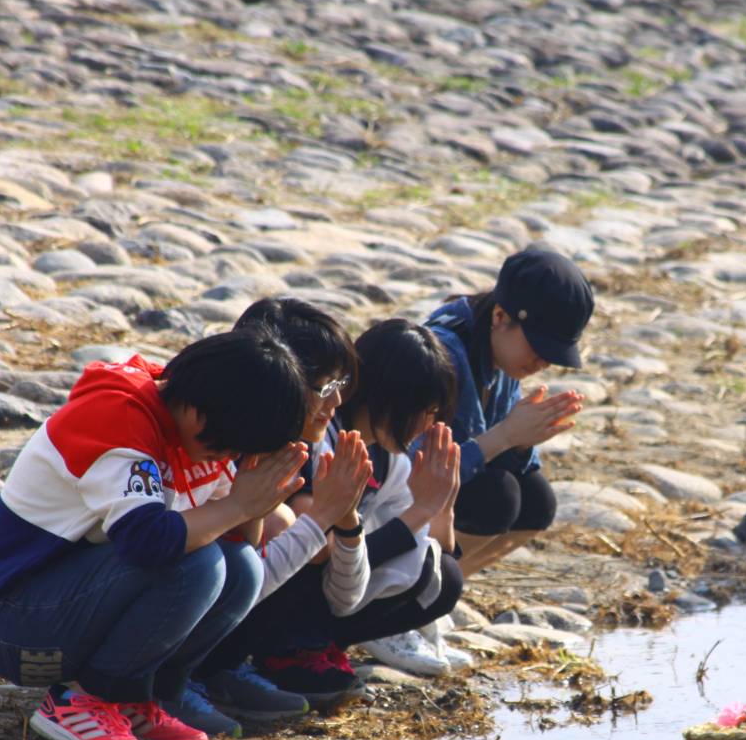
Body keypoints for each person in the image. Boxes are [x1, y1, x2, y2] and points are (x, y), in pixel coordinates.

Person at [0, 329, 309, 740]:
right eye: (232, 448)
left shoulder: (195, 423)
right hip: (14, 626)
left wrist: (254, 497)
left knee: (241, 569)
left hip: (69, 604)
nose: (230, 456)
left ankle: (132, 698)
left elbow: (241, 539)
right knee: (196, 565)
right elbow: (149, 541)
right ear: (200, 414)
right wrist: (239, 503)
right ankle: (79, 702)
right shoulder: (117, 417)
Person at [202, 318, 465, 701]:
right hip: (279, 585)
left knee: (444, 575)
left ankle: (318, 641)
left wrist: (442, 506)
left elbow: (437, 548)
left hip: (339, 585)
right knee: (307, 537)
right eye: (423, 410)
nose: (429, 424)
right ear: (386, 395)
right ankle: (284, 649)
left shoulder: (391, 458)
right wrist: (416, 511)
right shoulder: (320, 436)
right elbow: (318, 546)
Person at [180, 296, 374, 732]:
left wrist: (346, 519)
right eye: (325, 387)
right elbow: (235, 581)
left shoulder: (307, 442)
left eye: (341, 384)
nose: (338, 401)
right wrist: (319, 517)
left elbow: (347, 602)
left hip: (223, 602)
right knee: (279, 529)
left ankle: (220, 667)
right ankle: (176, 681)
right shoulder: (225, 443)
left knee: (288, 526)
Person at [426, 246, 594, 576]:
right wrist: (507, 435)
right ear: (500, 316)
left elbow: (509, 460)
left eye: (555, 354)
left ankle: (439, 591)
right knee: (496, 497)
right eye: (540, 347)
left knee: (537, 501)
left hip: (438, 493)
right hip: (386, 504)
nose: (544, 362)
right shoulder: (441, 357)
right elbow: (414, 470)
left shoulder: (498, 351)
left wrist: (520, 443)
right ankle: (408, 591)